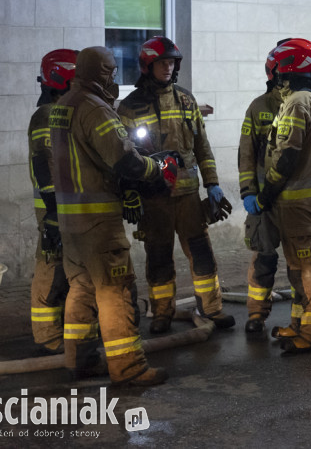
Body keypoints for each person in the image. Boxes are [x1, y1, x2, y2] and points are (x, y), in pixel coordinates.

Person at [49, 46, 176, 386]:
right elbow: (124, 160)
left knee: (82, 290)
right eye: (111, 72)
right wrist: (156, 168)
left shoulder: (62, 106)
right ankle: (129, 368)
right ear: (101, 74)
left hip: (70, 221)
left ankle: (80, 360)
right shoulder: (95, 109)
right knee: (115, 291)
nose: (115, 79)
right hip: (98, 221)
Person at [117, 36, 234, 334]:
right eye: (162, 63)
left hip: (188, 196)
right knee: (158, 255)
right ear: (147, 65)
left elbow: (201, 146)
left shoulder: (186, 100)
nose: (168, 68)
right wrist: (129, 191)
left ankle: (212, 308)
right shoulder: (130, 107)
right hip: (154, 196)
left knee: (202, 252)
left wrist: (212, 184)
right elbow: (123, 156)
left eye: (171, 62)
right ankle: (161, 313)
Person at [248, 38, 311, 355]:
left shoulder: (296, 102)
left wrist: (266, 194)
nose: (275, 74)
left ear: (286, 68)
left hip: (295, 201)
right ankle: (301, 325)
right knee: (300, 268)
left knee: (309, 267)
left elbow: (287, 156)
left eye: (278, 67)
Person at [27, 48, 78, 355]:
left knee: (71, 266)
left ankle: (73, 329)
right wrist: (53, 212)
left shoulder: (66, 111)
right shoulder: (46, 115)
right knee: (51, 264)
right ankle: (47, 335)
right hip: (53, 207)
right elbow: (43, 163)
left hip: (69, 204)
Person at [239, 43, 288, 334]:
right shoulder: (258, 107)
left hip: (295, 199)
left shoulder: (308, 102)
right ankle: (257, 314)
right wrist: (248, 192)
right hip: (263, 200)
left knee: (300, 262)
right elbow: (246, 154)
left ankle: (302, 317)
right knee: (263, 257)